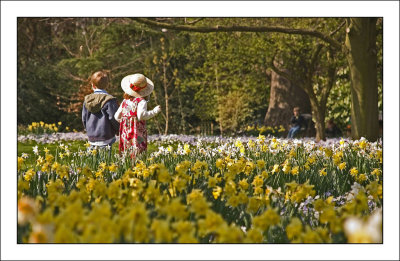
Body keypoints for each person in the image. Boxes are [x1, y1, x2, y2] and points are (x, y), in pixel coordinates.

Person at [114, 73, 161, 158]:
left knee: (126, 150)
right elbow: (141, 116)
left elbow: (117, 116)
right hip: (136, 131)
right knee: (138, 151)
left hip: (125, 131)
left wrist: (126, 121)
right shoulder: (141, 101)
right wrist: (154, 111)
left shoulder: (125, 101)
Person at [82, 71, 120, 150]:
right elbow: (113, 118)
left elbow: (84, 118)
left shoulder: (87, 100)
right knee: (104, 161)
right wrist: (118, 129)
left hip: (91, 136)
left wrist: (88, 130)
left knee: (91, 161)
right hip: (106, 136)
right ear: (107, 85)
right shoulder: (110, 100)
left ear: (93, 85)